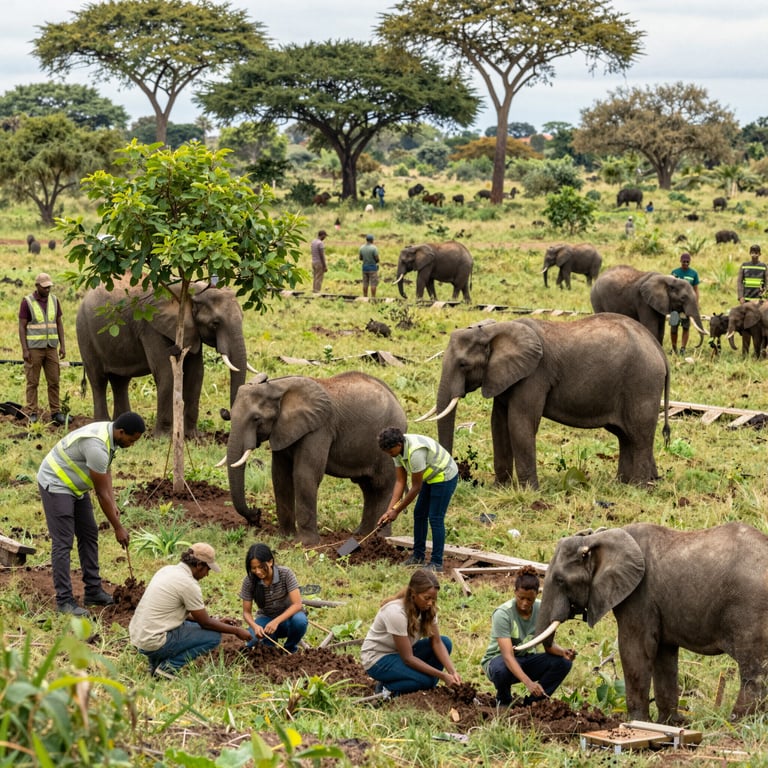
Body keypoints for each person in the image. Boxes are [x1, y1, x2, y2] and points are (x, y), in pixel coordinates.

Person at [37, 411, 146, 615]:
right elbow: (101, 494)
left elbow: (106, 472)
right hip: (56, 482)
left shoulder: (110, 435)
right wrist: (118, 528)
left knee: (89, 534)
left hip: (76, 487)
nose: (132, 444)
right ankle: (64, 601)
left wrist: (114, 503)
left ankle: (93, 591)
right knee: (63, 542)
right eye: (131, 440)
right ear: (121, 432)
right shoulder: (97, 446)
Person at [129, 543, 252, 677]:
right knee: (213, 637)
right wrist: (237, 631)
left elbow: (187, 616)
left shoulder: (167, 570)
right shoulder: (188, 584)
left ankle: (155, 663)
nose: (207, 575)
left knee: (189, 626)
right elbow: (205, 623)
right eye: (208, 570)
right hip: (154, 641)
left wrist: (217, 621)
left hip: (139, 637)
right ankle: (168, 668)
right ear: (199, 565)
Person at [481, 566, 576, 707]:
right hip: (499, 661)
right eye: (521, 598)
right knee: (500, 669)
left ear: (537, 595)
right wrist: (529, 683)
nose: (525, 603)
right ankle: (504, 700)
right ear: (514, 593)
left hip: (526, 659)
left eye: (529, 599)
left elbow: (548, 646)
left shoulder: (542, 610)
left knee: (563, 663)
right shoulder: (503, 614)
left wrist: (563, 652)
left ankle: (534, 703)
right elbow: (507, 656)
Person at [361, 568, 461, 695]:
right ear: (414, 594)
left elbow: (437, 642)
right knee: (427, 681)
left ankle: (420, 682)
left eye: (433, 599)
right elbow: (408, 658)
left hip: (400, 653)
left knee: (446, 643)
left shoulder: (428, 609)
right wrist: (443, 676)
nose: (430, 603)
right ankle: (386, 689)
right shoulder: (396, 612)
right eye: (426, 598)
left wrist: (452, 672)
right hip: (378, 659)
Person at [377, 427, 458, 573]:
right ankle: (418, 556)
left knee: (435, 518)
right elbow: (400, 482)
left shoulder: (415, 453)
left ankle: (436, 563)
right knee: (419, 514)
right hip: (429, 476)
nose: (389, 455)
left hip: (444, 475)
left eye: (390, 452)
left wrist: (397, 511)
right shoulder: (396, 451)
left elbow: (415, 488)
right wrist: (389, 511)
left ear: (398, 445)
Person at [239, 543, 308, 653]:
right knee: (252, 641)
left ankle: (289, 648)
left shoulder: (285, 574)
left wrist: (276, 621)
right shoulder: (249, 581)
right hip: (265, 619)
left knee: (300, 621)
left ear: (270, 562)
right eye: (253, 568)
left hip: (288, 620)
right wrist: (255, 626)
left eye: (261, 567)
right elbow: (246, 612)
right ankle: (270, 650)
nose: (257, 571)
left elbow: (297, 604)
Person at [18, 272, 66, 424]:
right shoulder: (27, 302)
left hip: (51, 348)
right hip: (34, 349)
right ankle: (32, 412)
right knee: (33, 382)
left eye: (49, 287)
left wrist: (63, 345)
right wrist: (25, 349)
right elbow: (22, 326)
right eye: (44, 287)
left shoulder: (54, 300)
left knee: (54, 381)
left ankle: (56, 412)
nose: (47, 289)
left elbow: (59, 323)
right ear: (37, 286)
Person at [670, 252, 700, 355]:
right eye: (684, 261)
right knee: (673, 326)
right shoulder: (674, 273)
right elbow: (670, 289)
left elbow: (696, 290)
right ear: (680, 261)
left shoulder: (693, 274)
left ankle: (683, 348)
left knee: (685, 327)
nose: (685, 263)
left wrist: (696, 303)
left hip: (687, 306)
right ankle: (674, 348)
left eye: (687, 262)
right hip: (675, 305)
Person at [359, 234, 380, 298]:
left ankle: (365, 297)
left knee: (365, 283)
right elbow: (377, 259)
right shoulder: (374, 248)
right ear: (372, 240)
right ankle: (373, 297)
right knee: (373, 283)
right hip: (372, 268)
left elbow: (360, 258)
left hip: (364, 268)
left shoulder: (362, 248)